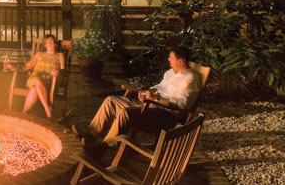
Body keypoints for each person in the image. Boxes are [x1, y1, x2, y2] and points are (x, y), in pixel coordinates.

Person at [74, 44, 202, 153]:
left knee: (126, 113)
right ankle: (90, 136)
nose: (168, 59)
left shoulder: (191, 78)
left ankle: (102, 148)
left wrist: (155, 99)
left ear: (181, 61)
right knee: (110, 101)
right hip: (149, 106)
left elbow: (182, 104)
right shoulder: (170, 72)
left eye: (171, 57)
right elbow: (159, 87)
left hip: (165, 114)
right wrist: (146, 92)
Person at [5, 33, 64, 119]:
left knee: (34, 89)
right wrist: (13, 67)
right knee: (36, 80)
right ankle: (48, 110)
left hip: (50, 81)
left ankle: (23, 113)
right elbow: (26, 67)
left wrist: (57, 72)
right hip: (34, 78)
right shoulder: (39, 55)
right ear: (45, 45)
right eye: (50, 42)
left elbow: (63, 70)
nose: (53, 44)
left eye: (54, 42)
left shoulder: (59, 55)